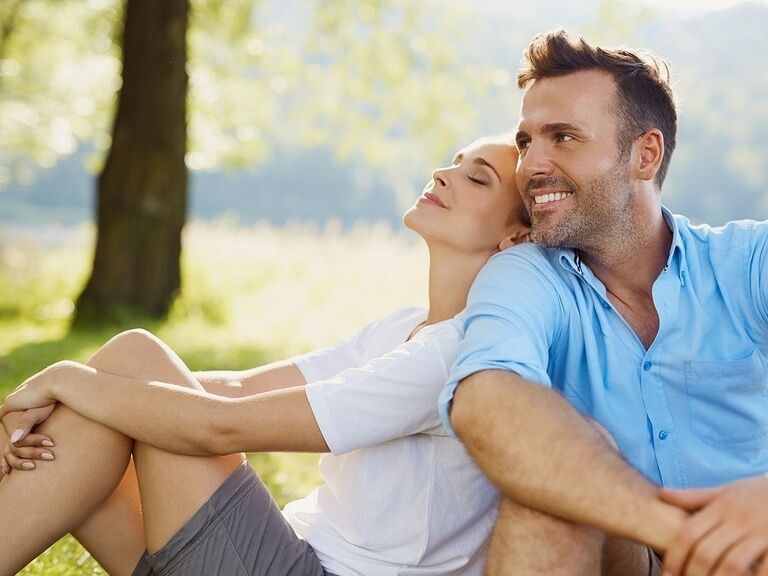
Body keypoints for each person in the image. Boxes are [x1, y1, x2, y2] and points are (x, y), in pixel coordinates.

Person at [0, 135, 531, 576]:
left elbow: (221, 427)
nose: (442, 173)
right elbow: (234, 389)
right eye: (454, 161)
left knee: (131, 365)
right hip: (284, 553)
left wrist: (66, 378)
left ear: (515, 236)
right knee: (117, 382)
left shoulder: (454, 355)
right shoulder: (404, 327)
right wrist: (73, 395)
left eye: (476, 177)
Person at [441, 30, 768, 576]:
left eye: (564, 137)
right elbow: (484, 395)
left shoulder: (749, 261)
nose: (532, 166)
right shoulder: (524, 275)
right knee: (551, 501)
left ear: (645, 154)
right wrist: (687, 537)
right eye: (526, 142)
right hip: (632, 556)